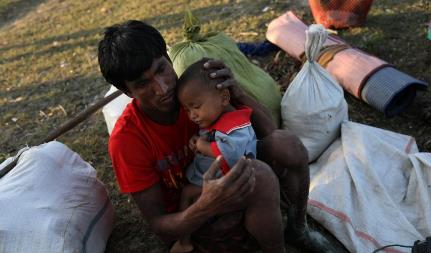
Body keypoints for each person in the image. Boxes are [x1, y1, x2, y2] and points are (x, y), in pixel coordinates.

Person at [98, 20, 312, 252]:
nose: (162, 88)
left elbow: (270, 133)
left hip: (224, 176)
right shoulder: (127, 140)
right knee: (259, 175)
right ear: (127, 92)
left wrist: (237, 94)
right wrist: (206, 206)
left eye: (161, 69)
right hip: (193, 216)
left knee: (287, 144)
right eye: (142, 84)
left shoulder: (195, 90)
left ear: (169, 59)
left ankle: (298, 229)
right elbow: (159, 225)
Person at [170, 58, 285, 253]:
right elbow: (214, 138)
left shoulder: (235, 126)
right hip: (225, 176)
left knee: (187, 194)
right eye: (187, 110)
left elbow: (230, 153)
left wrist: (202, 145)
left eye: (196, 107)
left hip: (230, 180)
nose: (192, 115)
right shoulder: (222, 118)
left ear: (224, 98)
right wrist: (198, 141)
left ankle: (184, 242)